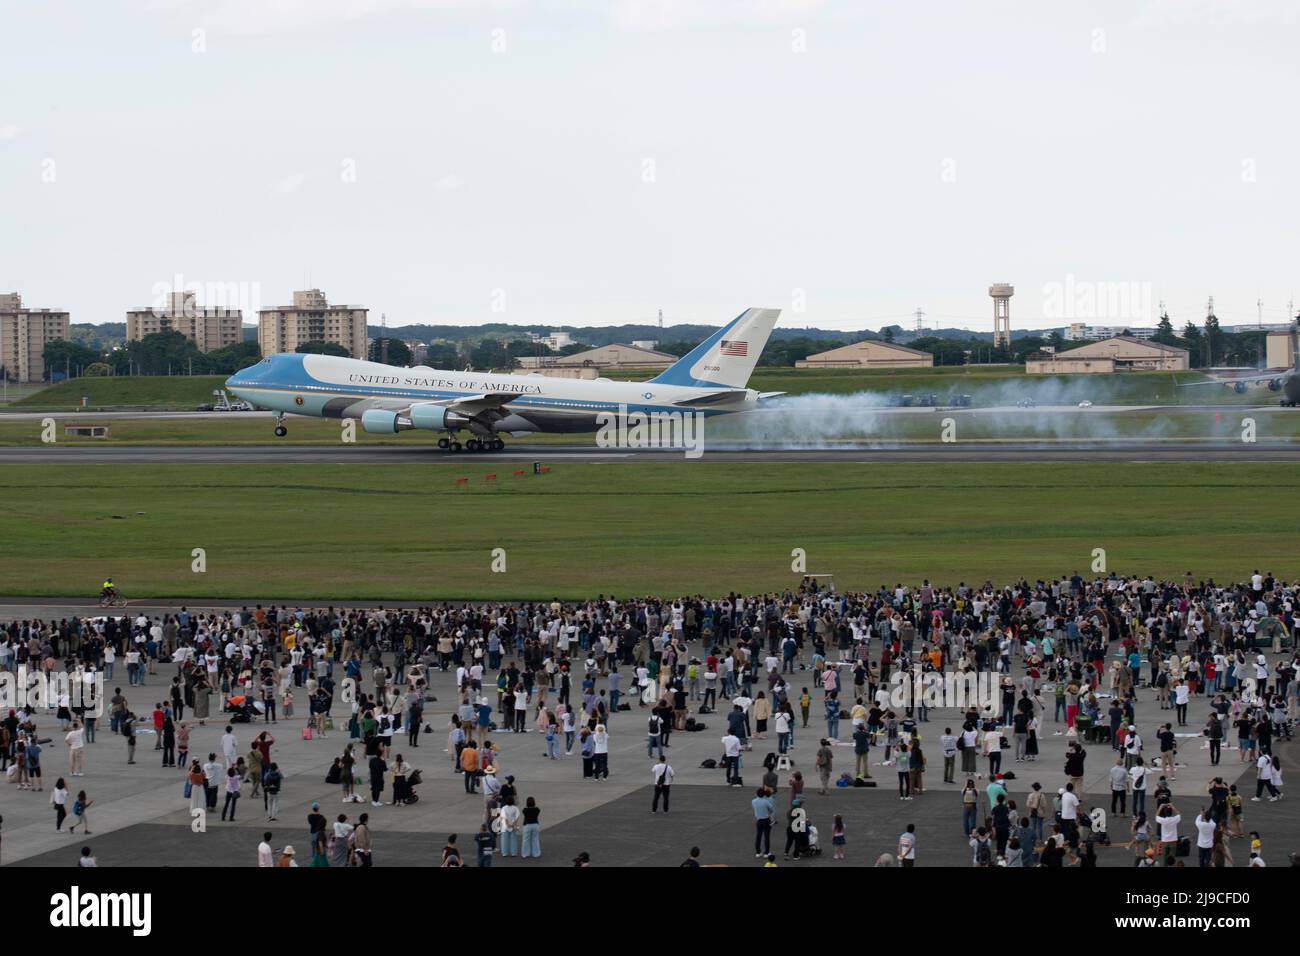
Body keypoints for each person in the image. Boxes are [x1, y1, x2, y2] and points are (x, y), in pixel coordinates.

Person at [752, 787, 775, 857]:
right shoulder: (766, 801)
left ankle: (758, 852)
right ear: (764, 794)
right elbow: (772, 809)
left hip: (759, 820)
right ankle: (766, 852)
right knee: (766, 837)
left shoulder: (753, 801)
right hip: (766, 819)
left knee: (758, 836)